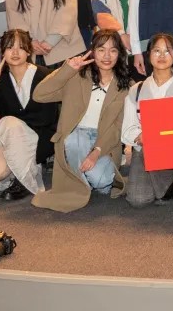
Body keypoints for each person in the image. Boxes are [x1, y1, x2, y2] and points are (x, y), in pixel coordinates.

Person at [32, 30, 133, 213]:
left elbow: (117, 127)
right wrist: (67, 69)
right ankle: (79, 183)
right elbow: (39, 95)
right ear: (92, 52)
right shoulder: (77, 76)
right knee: (72, 139)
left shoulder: (126, 85)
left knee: (102, 182)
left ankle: (82, 177)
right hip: (77, 135)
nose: (107, 56)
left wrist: (97, 151)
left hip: (104, 141)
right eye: (101, 50)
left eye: (113, 50)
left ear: (120, 54)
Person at [0, 29, 59, 201]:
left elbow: (52, 117)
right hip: (10, 139)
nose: (15, 52)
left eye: (21, 47)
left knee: (9, 122)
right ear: (2, 52)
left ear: (28, 51)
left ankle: (23, 179)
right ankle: (15, 171)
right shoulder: (1, 78)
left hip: (41, 139)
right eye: (9, 47)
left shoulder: (45, 75)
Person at [122, 33, 173, 209]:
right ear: (148, 55)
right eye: (157, 51)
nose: (162, 55)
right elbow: (128, 129)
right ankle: (164, 182)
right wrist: (140, 136)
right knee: (138, 200)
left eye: (168, 51)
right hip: (146, 151)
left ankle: (163, 181)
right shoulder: (137, 90)